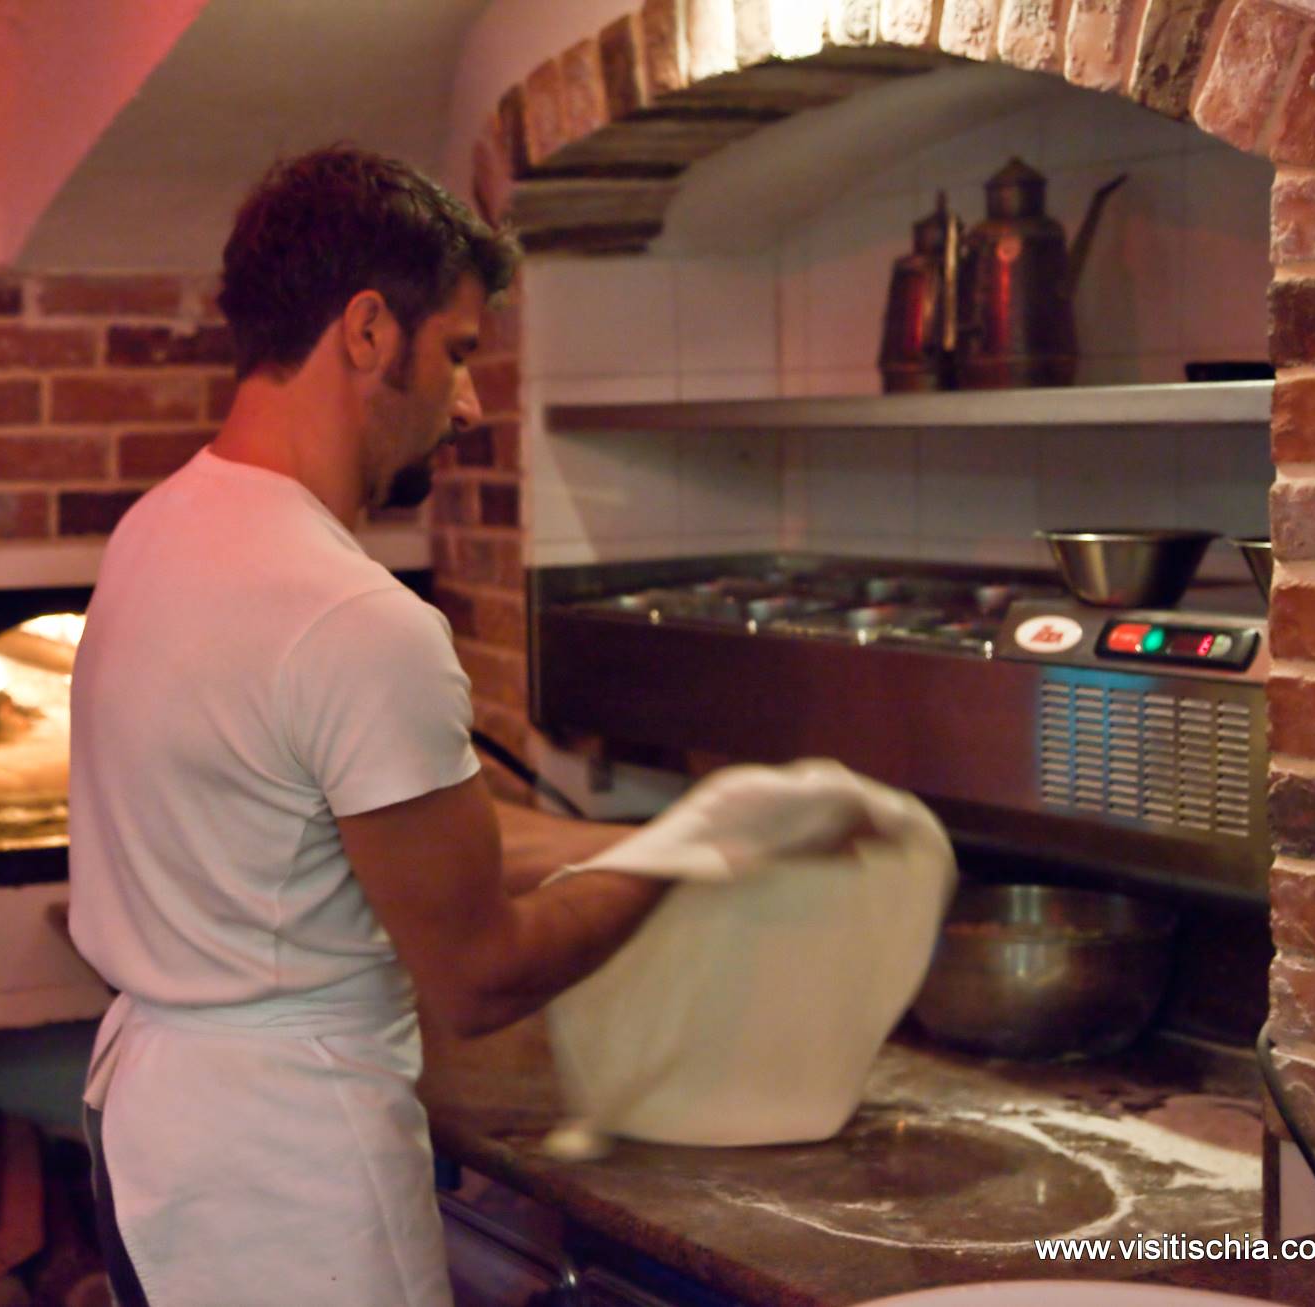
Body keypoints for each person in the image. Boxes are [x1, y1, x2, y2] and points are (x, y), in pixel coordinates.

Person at [66, 146, 865, 1306]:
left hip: (155, 1128)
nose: (470, 400)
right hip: (283, 1172)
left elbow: (383, 837)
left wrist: (695, 822)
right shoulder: (352, 617)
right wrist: (690, 857)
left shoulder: (164, 526)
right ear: (367, 330)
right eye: (457, 350)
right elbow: (478, 974)